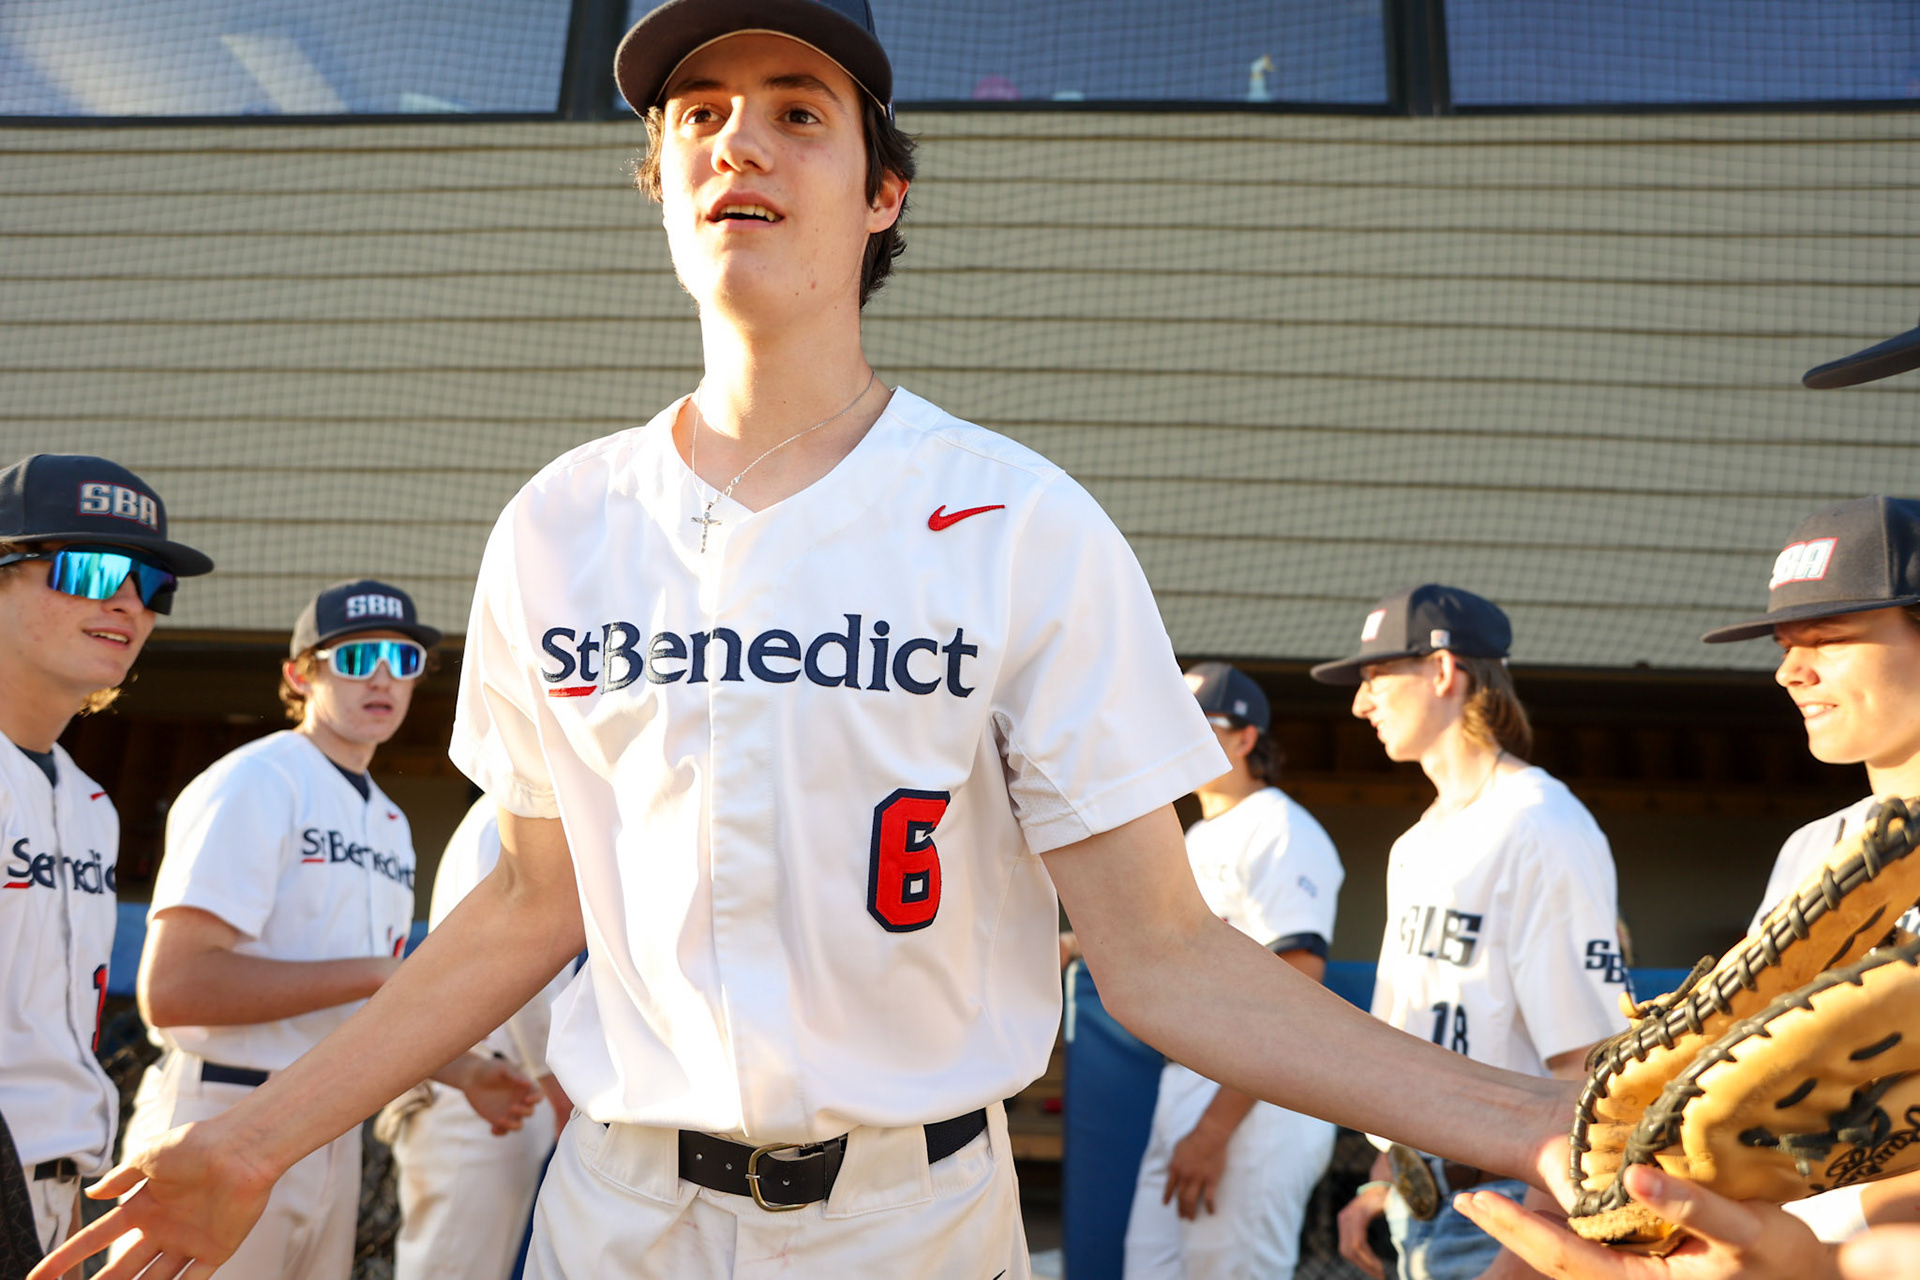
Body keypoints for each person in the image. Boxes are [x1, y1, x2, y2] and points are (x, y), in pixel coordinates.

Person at [32, 7, 1581, 1279]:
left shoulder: (1018, 520)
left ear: (880, 192)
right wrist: (246, 1139)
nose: (736, 141)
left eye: (795, 110)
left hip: (908, 1219)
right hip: (616, 1213)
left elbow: (1169, 957)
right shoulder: (562, 523)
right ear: (655, 178)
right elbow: (523, 903)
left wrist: (1533, 1122)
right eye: (695, 112)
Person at [1450, 496, 1920, 1279]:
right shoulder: (1815, 850)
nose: (1788, 669)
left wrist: (1833, 1263)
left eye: (1828, 639)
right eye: (1784, 642)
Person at [116, 580, 539, 1280]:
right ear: (298, 673)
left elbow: (361, 1006)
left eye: (403, 661)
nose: (382, 677)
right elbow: (176, 989)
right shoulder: (256, 780)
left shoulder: (391, 822)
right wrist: (377, 973)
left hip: (330, 1128)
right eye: (356, 657)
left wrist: (465, 1073)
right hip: (224, 1110)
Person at [1314, 585, 1630, 1280]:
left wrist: (1530, 1249)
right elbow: (1413, 1049)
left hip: (1507, 1208)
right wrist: (1382, 1175)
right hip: (1421, 1200)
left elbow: (1593, 1071)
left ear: (1443, 672)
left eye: (1374, 677)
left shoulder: (1542, 823)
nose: (1359, 704)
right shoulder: (1417, 841)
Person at [0, 454, 212, 1275]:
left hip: (65, 1191)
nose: (127, 601)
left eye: (153, 583)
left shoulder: (91, 802)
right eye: (90, 567)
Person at [1123, 662, 1345, 1280]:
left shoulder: (1281, 827)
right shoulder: (1193, 834)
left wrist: (1216, 1128)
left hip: (1258, 1100)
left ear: (1245, 739)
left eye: (1198, 723)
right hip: (1191, 1077)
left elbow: (1298, 979)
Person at [386, 796, 574, 1280]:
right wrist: (553, 1082)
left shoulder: (512, 810)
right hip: (481, 1082)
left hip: (505, 1081)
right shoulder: (519, 810)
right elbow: (522, 960)